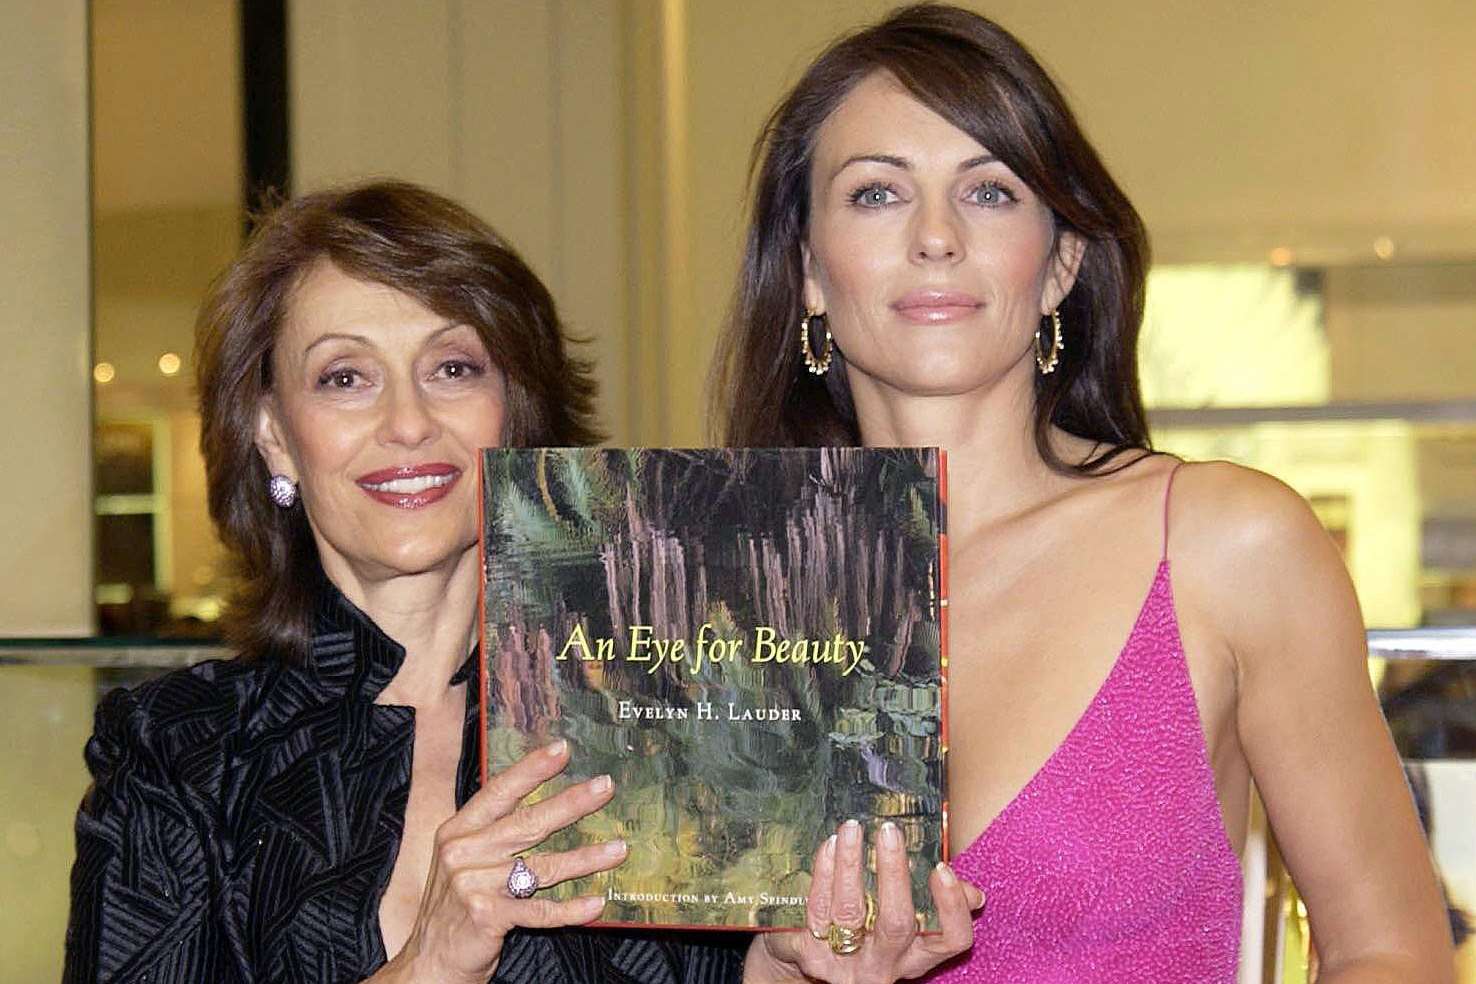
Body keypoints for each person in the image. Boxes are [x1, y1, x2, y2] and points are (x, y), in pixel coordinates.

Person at [63, 180, 976, 984]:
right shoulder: (175, 754)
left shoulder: (668, 703)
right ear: (272, 434)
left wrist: (782, 974)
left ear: (515, 407)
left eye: (453, 368)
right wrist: (430, 964)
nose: (409, 421)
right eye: (345, 377)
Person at [717, 5, 1455, 982]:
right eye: (876, 195)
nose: (936, 237)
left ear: (1061, 261)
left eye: (988, 192)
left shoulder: (1225, 545)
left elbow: (1393, 952)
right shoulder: (712, 597)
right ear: (808, 268)